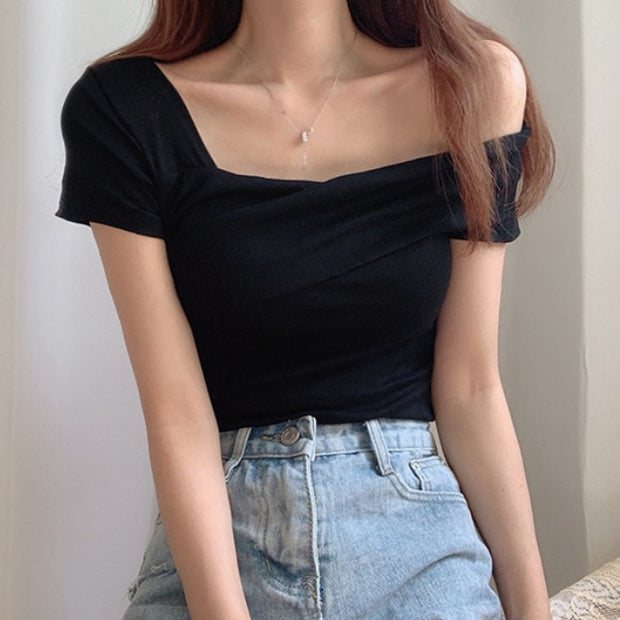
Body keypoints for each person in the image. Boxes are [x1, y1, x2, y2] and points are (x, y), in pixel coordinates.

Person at [55, 0, 556, 618]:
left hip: (412, 539)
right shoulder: (124, 107)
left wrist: (532, 611)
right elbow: (177, 414)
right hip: (219, 545)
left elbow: (472, 387)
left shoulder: (472, 84)